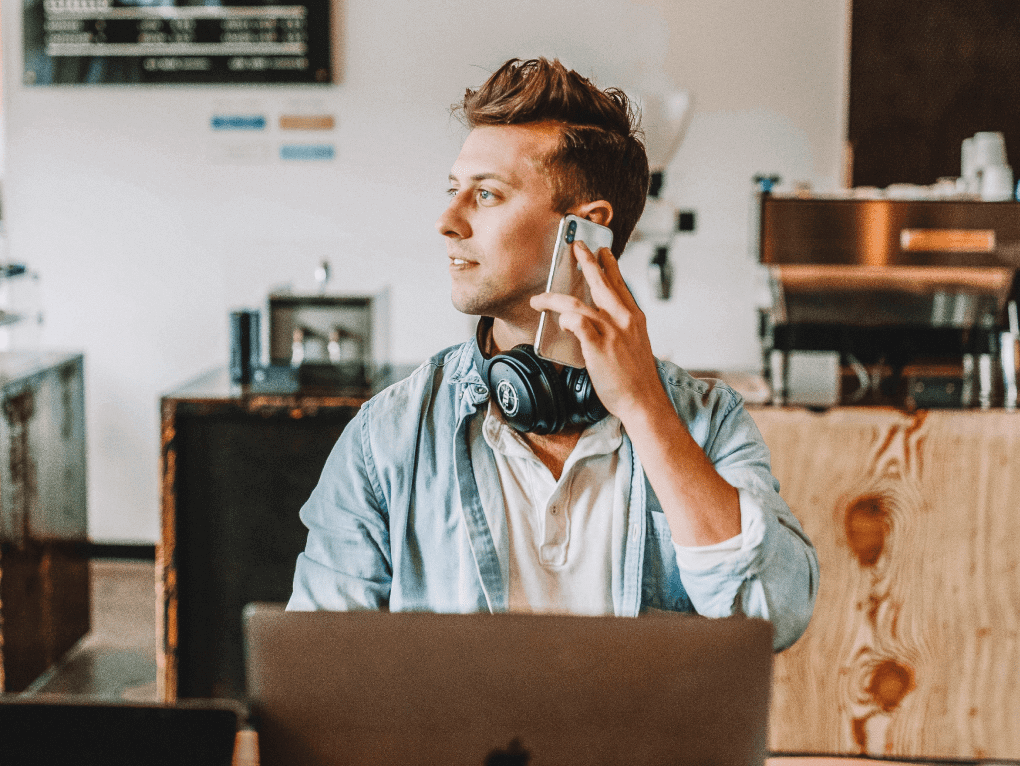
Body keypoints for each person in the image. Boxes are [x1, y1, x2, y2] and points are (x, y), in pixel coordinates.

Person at [288, 57, 818, 650]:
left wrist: (645, 409)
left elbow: (773, 617)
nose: (447, 221)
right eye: (453, 191)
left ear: (586, 229)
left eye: (486, 195)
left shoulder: (708, 422)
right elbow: (320, 661)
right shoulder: (388, 437)